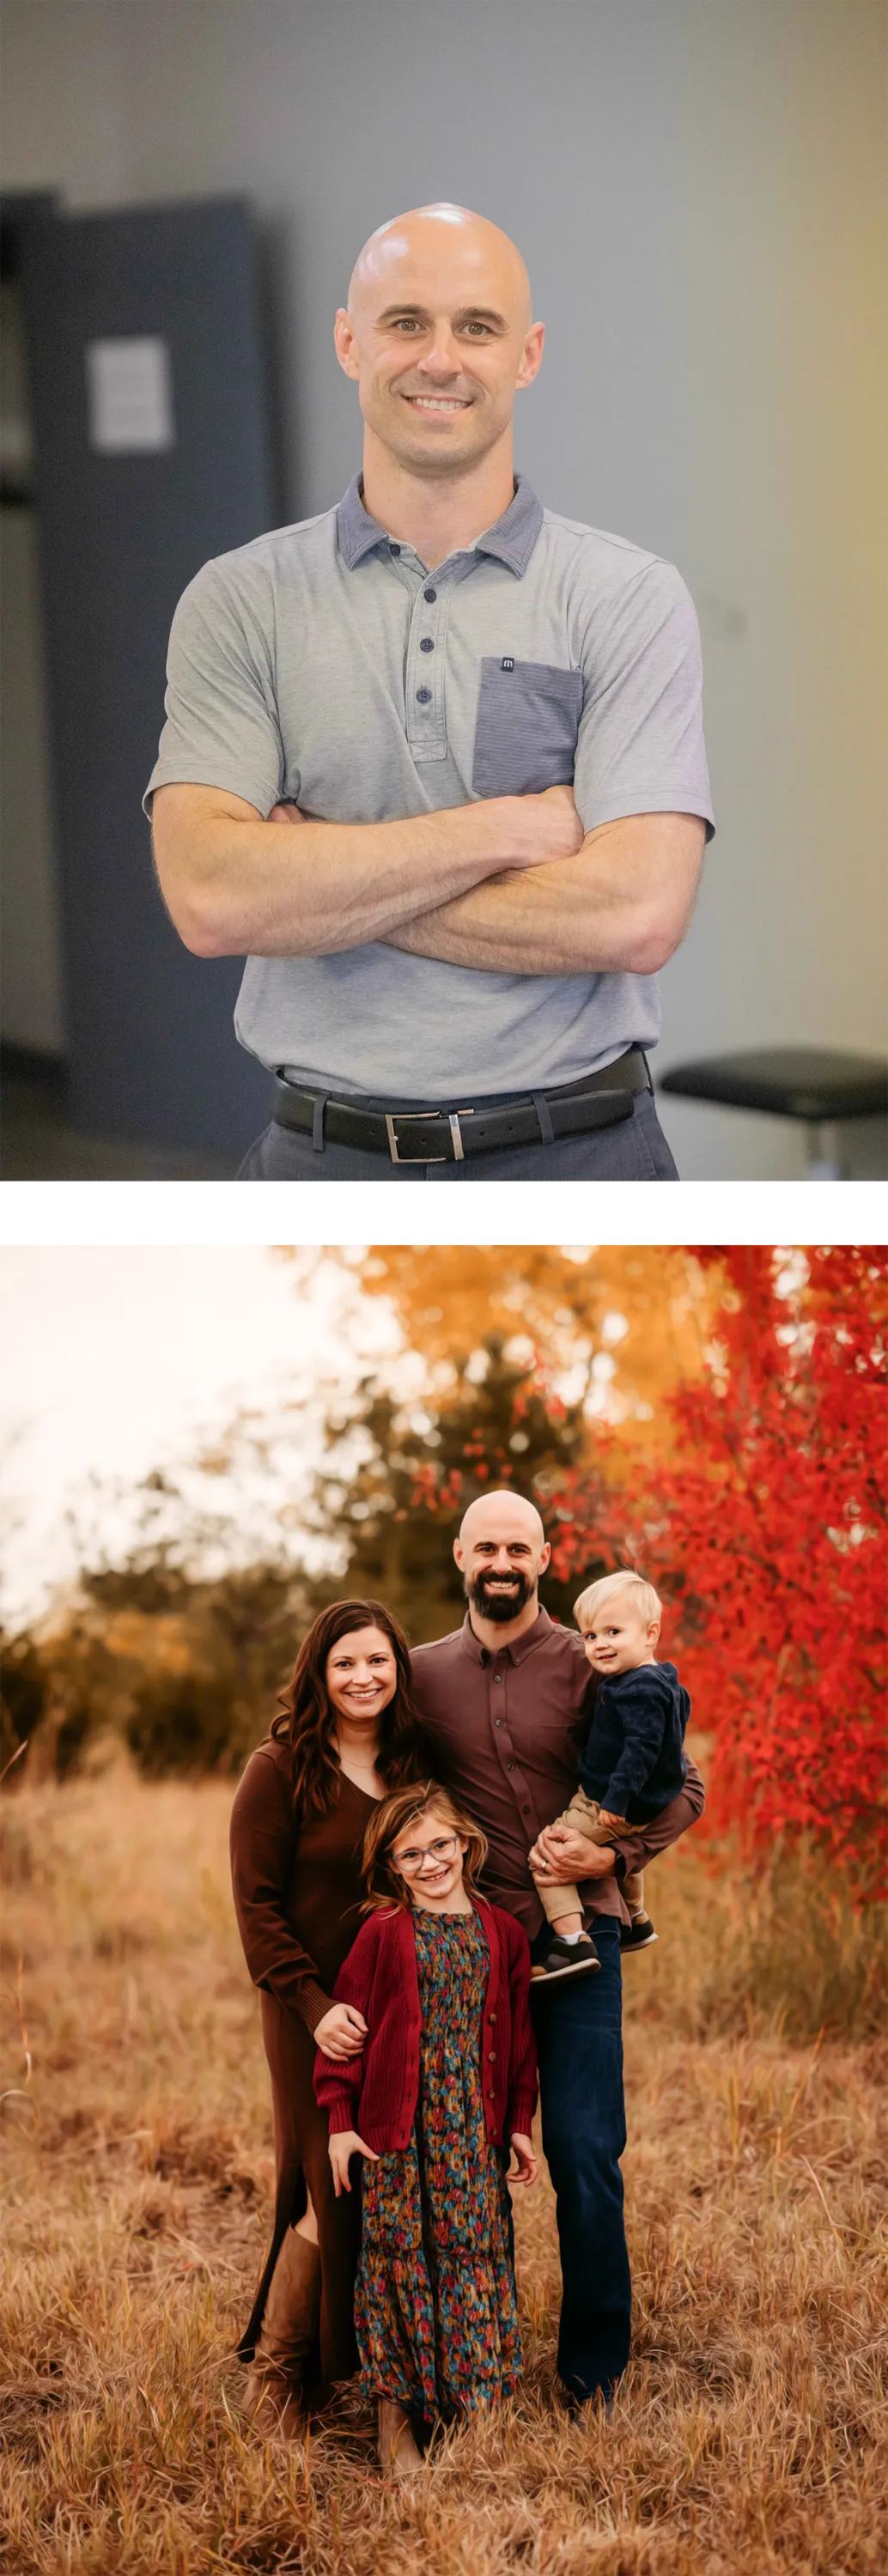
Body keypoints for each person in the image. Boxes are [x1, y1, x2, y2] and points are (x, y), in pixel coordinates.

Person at [144, 200, 716, 1186]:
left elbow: (635, 919)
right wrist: (498, 833)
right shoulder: (239, 599)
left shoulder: (624, 595)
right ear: (348, 340)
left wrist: (309, 872)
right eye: (406, 322)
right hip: (319, 1158)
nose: (440, 359)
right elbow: (208, 900)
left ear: (526, 355)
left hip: (582, 1156)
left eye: (476, 327)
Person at [408, 1487, 706, 2408]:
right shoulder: (419, 1675)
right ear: (460, 1557)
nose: (501, 1563)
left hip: (582, 1934)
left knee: (582, 2149)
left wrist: (612, 1849)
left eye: (518, 1548)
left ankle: (591, 2372)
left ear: (543, 1558)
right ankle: (473, 2361)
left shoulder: (595, 1660)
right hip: (471, 1950)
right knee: (465, 2153)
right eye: (484, 1547)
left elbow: (683, 1786)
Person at [228, 1597, 429, 2435]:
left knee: (380, 2185)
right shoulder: (277, 1769)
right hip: (309, 2011)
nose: (363, 1677)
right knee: (328, 2181)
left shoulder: (415, 1768)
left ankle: (371, 2379)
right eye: (345, 1662)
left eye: (378, 1661)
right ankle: (278, 2383)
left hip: (397, 2011)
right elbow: (257, 1909)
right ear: (318, 1673)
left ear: (397, 1671)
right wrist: (314, 2009)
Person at [313, 1780, 538, 2478]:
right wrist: (341, 2123)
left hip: (472, 2131)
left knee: (474, 2259)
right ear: (392, 1866)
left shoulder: (501, 1931)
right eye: (410, 1855)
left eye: (440, 1845)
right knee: (398, 2265)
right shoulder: (381, 1935)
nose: (430, 1862)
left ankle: (475, 2409)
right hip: (397, 2134)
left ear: (466, 1843)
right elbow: (344, 2037)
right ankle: (395, 2423)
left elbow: (521, 2042)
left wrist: (522, 2125)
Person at [532, 1568, 693, 1983]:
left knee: (549, 1854)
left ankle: (570, 1943)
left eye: (613, 1632)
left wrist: (615, 1801)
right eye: (590, 1636)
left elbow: (641, 1750)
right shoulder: (665, 1681)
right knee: (623, 1852)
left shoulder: (636, 1688)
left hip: (608, 1799)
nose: (600, 1644)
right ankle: (636, 1919)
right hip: (647, 1801)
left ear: (650, 1633)